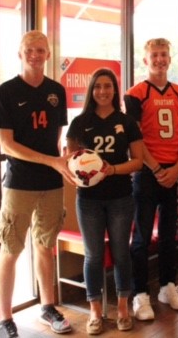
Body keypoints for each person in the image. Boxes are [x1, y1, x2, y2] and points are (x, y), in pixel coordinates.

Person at [0, 30, 76, 338]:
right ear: (19, 53)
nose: (35, 55)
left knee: (45, 244)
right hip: (19, 183)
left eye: (40, 50)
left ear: (49, 55)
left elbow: (55, 140)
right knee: (10, 247)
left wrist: (66, 160)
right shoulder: (5, 92)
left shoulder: (56, 91)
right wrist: (51, 160)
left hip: (51, 183)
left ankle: (48, 306)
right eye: (29, 49)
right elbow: (6, 145)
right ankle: (5, 319)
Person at [66, 68, 144, 334]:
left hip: (121, 198)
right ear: (91, 90)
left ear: (115, 89)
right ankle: (96, 312)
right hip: (88, 200)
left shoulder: (127, 121)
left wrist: (111, 169)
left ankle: (122, 308)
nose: (102, 91)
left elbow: (138, 161)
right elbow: (70, 161)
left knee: (122, 253)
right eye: (97, 86)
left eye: (108, 86)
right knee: (93, 256)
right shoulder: (79, 122)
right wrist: (79, 174)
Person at [124, 38, 178, 321]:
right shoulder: (135, 93)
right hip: (146, 171)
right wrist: (156, 169)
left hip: (173, 169)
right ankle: (140, 293)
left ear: (170, 58)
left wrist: (177, 169)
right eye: (154, 55)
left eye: (164, 54)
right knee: (141, 234)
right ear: (145, 60)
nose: (159, 59)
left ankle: (168, 285)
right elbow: (135, 139)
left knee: (169, 231)